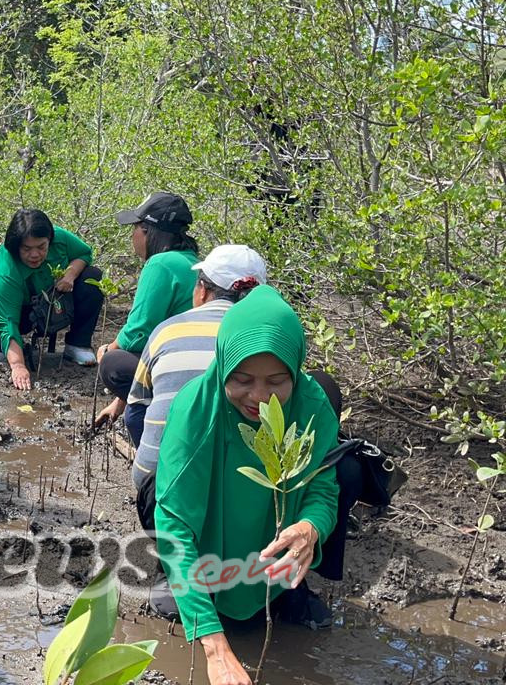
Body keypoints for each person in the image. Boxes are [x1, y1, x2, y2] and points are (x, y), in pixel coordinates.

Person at [151, 285, 339, 685]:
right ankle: (192, 590)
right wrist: (214, 647)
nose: (259, 397)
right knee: (164, 513)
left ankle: (288, 589)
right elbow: (174, 524)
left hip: (270, 532)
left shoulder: (312, 406)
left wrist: (311, 528)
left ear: (295, 371)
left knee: (352, 471)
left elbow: (323, 488)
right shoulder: (197, 409)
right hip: (208, 525)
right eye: (242, 380)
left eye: (276, 381)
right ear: (222, 368)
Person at [125, 244, 268, 481]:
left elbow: (135, 411)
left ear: (201, 290)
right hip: (237, 492)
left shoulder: (167, 330)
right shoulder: (268, 339)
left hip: (156, 488)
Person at [0, 208, 104, 390]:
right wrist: (18, 365)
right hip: (22, 313)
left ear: (50, 240)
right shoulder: (4, 272)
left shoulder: (60, 238)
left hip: (55, 303)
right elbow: (7, 323)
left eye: (41, 247)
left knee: (92, 276)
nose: (35, 255)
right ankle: (3, 351)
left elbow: (84, 254)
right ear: (16, 247)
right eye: (27, 249)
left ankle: (77, 345)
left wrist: (69, 276)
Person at [94, 193, 200, 424]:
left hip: (179, 368)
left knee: (113, 364)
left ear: (147, 230)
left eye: (134, 228)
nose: (132, 236)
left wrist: (106, 352)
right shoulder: (191, 260)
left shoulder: (160, 263)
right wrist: (118, 403)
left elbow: (138, 334)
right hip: (200, 367)